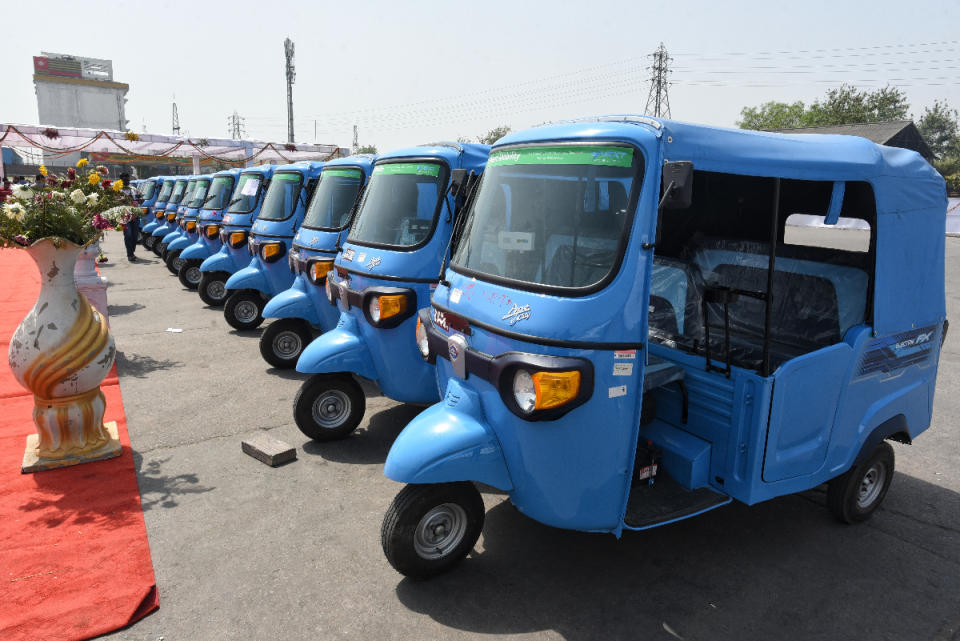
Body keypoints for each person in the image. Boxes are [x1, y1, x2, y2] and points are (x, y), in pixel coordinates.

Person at [119, 172, 140, 262]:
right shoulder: (118, 190)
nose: (126, 181)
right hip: (125, 216)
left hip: (135, 215)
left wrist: (140, 199)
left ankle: (132, 252)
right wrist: (122, 200)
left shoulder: (133, 189)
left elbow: (139, 199)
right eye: (124, 180)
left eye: (127, 179)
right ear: (121, 180)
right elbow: (114, 201)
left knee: (135, 236)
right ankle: (130, 254)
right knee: (128, 235)